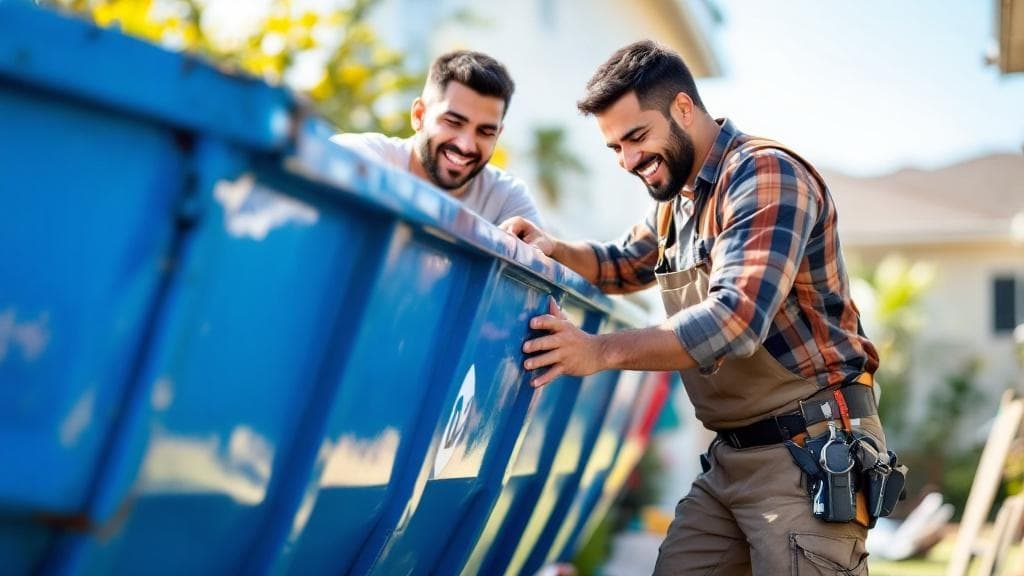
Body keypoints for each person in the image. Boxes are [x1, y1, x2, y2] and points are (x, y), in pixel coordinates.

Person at [503, 41, 893, 575]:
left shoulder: (763, 175)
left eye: (636, 137)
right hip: (731, 460)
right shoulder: (679, 202)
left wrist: (598, 352)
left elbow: (734, 321)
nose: (629, 160)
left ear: (684, 108)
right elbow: (622, 263)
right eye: (615, 147)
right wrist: (555, 248)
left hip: (808, 453)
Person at [332, 50, 543, 226]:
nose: (466, 145)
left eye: (485, 132)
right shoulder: (373, 156)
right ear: (419, 115)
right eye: (453, 122)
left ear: (497, 135)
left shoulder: (505, 198)